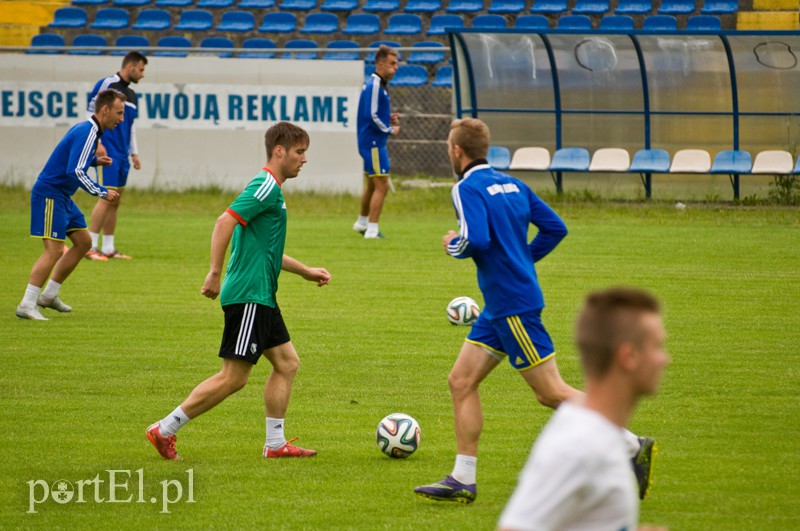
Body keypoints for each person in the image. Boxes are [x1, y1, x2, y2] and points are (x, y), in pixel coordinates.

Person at [414, 118, 656, 504]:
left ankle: (630, 443)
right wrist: (522, 260)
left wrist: (453, 245)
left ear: (456, 150)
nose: (449, 151)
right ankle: (462, 478)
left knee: (550, 393)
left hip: (512, 305)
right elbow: (555, 228)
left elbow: (475, 239)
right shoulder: (515, 184)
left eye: (448, 146)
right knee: (460, 381)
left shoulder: (466, 188)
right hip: (500, 304)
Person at [146, 122, 331, 461]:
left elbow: (267, 249)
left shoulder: (271, 190)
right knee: (233, 377)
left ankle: (275, 444)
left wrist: (306, 271)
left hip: (262, 295)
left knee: (287, 363)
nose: (304, 160)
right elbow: (223, 222)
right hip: (250, 296)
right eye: (299, 152)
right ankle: (165, 428)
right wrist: (214, 272)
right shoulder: (265, 186)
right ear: (279, 151)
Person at [498, 287, 669, 531]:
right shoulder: (579, 447)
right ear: (628, 356)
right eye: (657, 346)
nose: (665, 359)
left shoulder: (599, 433)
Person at [15, 90, 124, 321]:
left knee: (84, 243)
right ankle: (27, 303)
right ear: (105, 110)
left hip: (62, 196)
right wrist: (101, 191)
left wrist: (94, 160)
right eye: (119, 112)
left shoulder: (89, 131)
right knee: (54, 250)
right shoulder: (88, 132)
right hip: (50, 194)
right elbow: (73, 171)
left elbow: (73, 161)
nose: (121, 118)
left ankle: (49, 296)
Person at [84, 51, 147, 261]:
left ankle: (108, 247)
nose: (143, 74)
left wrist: (134, 153)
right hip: (107, 151)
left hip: (122, 154)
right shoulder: (108, 84)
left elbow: (131, 127)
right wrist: (97, 142)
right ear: (130, 67)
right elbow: (90, 111)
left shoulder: (131, 95)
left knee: (115, 200)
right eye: (141, 69)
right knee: (105, 196)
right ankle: (90, 246)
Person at [352, 45, 400, 240]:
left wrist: (388, 118)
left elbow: (374, 114)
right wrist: (390, 129)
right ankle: (372, 230)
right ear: (380, 64)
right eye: (392, 64)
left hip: (370, 141)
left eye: (396, 64)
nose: (395, 67)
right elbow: (371, 115)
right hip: (373, 143)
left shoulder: (378, 85)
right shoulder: (374, 85)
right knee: (382, 185)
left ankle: (362, 222)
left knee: (372, 185)